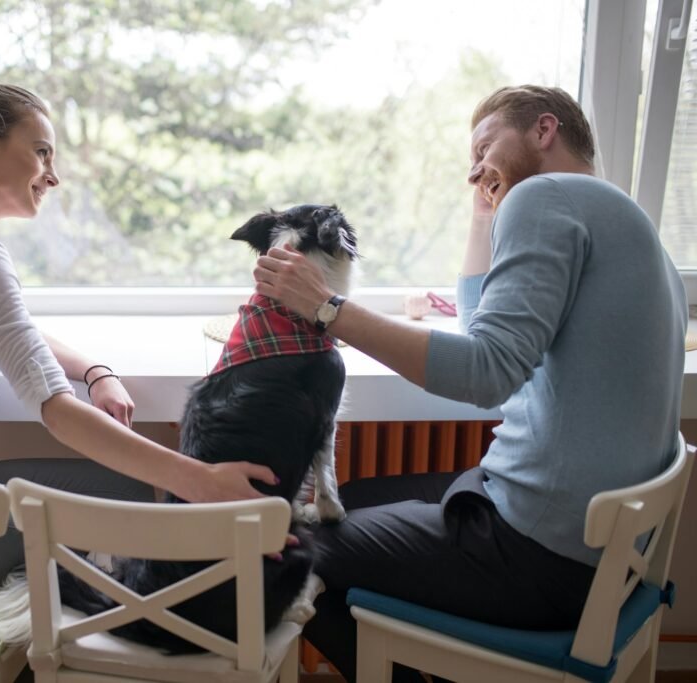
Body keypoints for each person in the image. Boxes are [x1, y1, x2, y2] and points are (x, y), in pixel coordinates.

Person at [253, 85, 688, 681]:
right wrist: (484, 215)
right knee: (349, 502)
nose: (475, 170)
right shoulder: (623, 220)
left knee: (298, 550)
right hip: (601, 551)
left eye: (485, 147)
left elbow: (486, 371)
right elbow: (496, 338)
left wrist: (327, 308)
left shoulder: (545, 197)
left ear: (543, 130)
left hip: (543, 559)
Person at [0, 84, 278, 597]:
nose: (53, 174)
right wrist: (200, 482)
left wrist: (94, 370)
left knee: (122, 491)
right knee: (132, 507)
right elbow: (58, 413)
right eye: (41, 151)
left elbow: (8, 326)